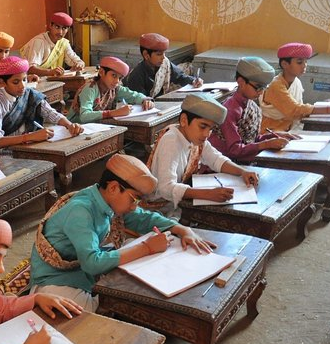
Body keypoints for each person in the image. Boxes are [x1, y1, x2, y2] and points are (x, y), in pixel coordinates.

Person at [29, 154, 215, 311]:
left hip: (82, 270)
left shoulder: (107, 201)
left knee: (127, 281)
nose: (135, 206)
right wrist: (146, 248)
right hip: (54, 278)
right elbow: (92, 263)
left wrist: (183, 229)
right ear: (113, 188)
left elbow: (143, 218)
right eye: (134, 199)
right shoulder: (81, 211)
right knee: (86, 310)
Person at [145, 93, 259, 214]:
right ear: (184, 120)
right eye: (203, 126)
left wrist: (242, 172)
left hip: (177, 203)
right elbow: (165, 188)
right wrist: (207, 194)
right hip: (158, 208)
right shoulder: (171, 140)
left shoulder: (194, 138)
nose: (206, 134)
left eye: (210, 129)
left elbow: (216, 160)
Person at [0, 56, 83, 159]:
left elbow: (50, 113)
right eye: (16, 82)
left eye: (25, 79)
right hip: (1, 155)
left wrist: (70, 125)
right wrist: (30, 136)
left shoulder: (30, 94)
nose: (22, 86)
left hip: (25, 148)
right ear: (3, 83)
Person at [209, 57, 301, 162]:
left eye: (264, 88)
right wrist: (266, 144)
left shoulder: (253, 107)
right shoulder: (229, 110)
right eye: (258, 87)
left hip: (242, 162)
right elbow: (234, 150)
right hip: (221, 166)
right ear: (241, 82)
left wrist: (274, 135)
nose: (261, 92)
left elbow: (252, 140)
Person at [260, 42, 330, 132]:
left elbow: (301, 109)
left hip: (289, 129)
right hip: (270, 133)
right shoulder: (275, 86)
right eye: (299, 62)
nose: (304, 65)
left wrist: (323, 105)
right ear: (285, 64)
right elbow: (295, 110)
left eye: (306, 61)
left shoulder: (296, 82)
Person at [67, 56, 153, 124]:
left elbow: (134, 96)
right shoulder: (90, 89)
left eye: (120, 78)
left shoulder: (115, 88)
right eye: (113, 75)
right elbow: (84, 116)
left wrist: (145, 100)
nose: (117, 81)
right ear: (101, 72)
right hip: (76, 127)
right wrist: (114, 113)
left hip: (97, 126)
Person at [124, 33, 203, 98]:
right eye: (159, 54)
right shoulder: (137, 75)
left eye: (164, 53)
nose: (163, 57)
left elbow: (180, 77)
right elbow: (140, 100)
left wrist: (194, 81)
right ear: (146, 55)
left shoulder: (164, 63)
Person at [20, 12, 85, 77]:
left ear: (67, 30)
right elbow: (31, 69)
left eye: (64, 28)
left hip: (49, 79)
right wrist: (50, 72)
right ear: (50, 25)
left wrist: (80, 64)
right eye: (57, 27)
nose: (60, 32)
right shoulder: (39, 42)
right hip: (30, 80)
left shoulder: (63, 43)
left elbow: (77, 61)